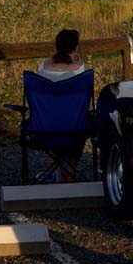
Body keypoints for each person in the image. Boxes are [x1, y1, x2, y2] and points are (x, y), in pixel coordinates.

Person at [35, 29, 88, 182]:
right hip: (75, 129)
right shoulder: (81, 70)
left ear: (56, 46)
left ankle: (60, 174)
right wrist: (79, 61)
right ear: (75, 48)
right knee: (75, 125)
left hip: (45, 128)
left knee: (58, 122)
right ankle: (69, 172)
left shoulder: (43, 67)